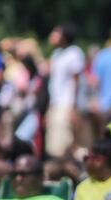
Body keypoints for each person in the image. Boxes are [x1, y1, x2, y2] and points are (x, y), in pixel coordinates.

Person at [46, 23, 85, 158]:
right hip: (56, 104)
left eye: (56, 33)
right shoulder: (56, 54)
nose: (52, 36)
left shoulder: (74, 53)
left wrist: (74, 108)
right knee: (53, 146)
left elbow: (77, 82)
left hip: (66, 104)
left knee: (62, 146)